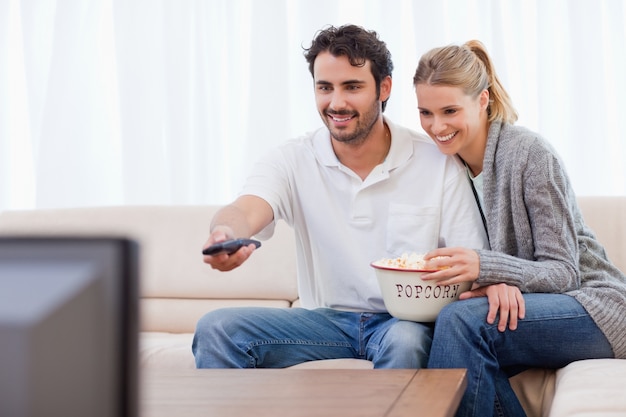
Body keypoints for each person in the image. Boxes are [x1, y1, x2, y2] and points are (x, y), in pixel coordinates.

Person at [191, 25, 488, 369]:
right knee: (217, 328)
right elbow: (246, 208)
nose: (336, 102)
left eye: (352, 87)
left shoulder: (438, 162)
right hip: (324, 322)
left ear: (384, 88)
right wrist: (225, 234)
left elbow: (471, 260)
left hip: (402, 324)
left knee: (406, 341)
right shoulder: (292, 158)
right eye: (325, 88)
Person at [413, 40, 626, 416]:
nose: (436, 126)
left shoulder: (529, 154)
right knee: (435, 335)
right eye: (425, 112)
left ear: (483, 99)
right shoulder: (447, 167)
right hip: (529, 303)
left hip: (596, 307)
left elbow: (564, 271)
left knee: (462, 323)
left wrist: (487, 267)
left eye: (449, 110)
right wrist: (489, 281)